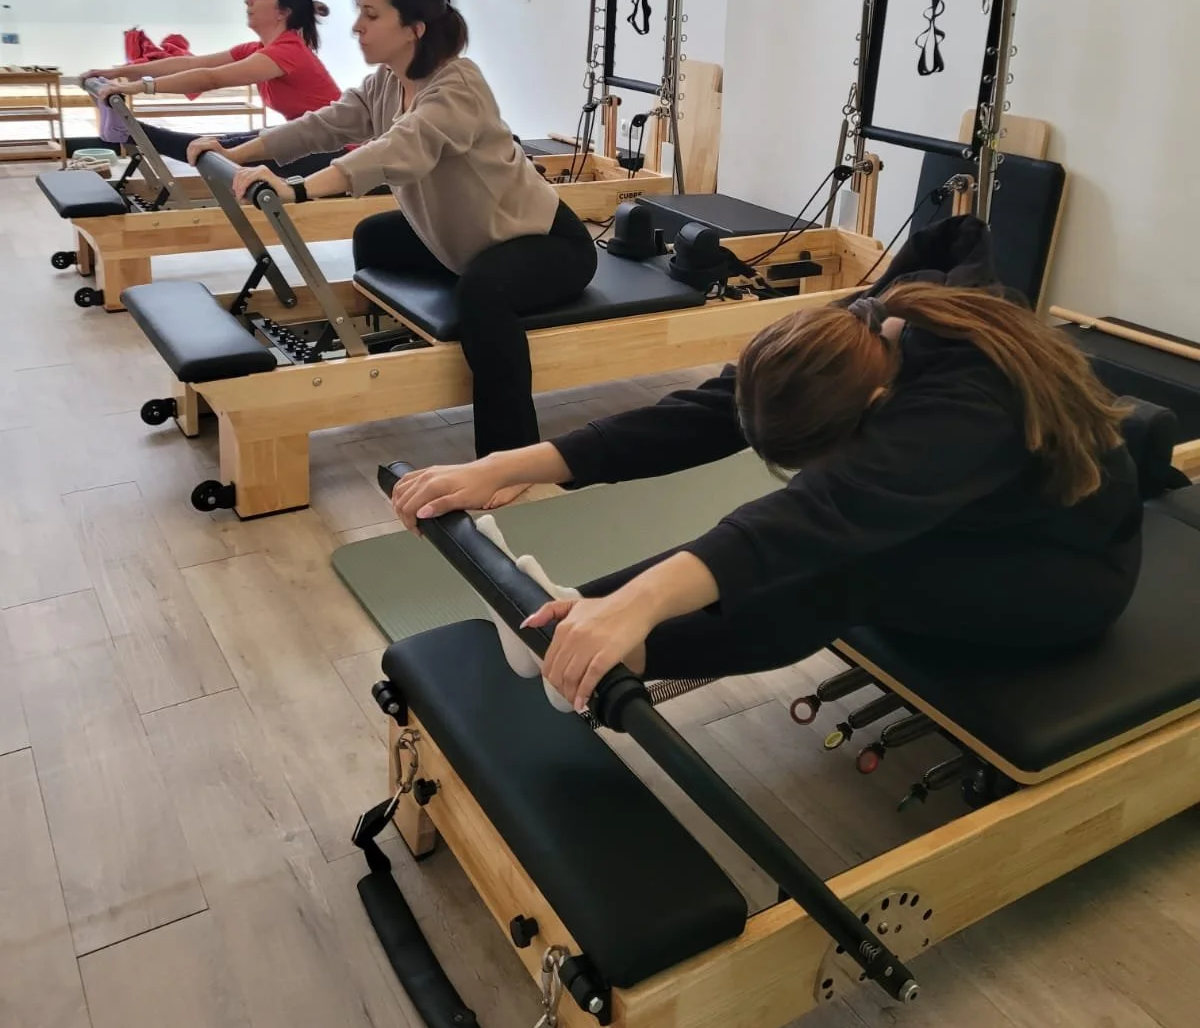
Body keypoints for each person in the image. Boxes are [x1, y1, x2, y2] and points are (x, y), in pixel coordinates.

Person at [390, 218, 1142, 713]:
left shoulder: (966, 400)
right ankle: (573, 613)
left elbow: (816, 517)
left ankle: (609, 648)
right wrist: (509, 466)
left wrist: (642, 608)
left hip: (1059, 573)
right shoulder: (863, 332)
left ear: (877, 405)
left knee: (838, 560)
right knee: (801, 541)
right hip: (975, 523)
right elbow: (699, 413)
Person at [187, 0, 598, 458]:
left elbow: (395, 150)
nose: (357, 26)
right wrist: (239, 152)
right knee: (376, 238)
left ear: (413, 29)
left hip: (545, 243)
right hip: (470, 243)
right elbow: (323, 124)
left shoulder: (457, 85)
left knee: (484, 294)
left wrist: (297, 189)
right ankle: (399, 360)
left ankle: (508, 455)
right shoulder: (385, 81)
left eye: (371, 15)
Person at [85, 0, 343, 176]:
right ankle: (130, 131)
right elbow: (192, 64)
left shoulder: (288, 51)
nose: (247, 0)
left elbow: (211, 78)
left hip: (338, 151)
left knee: (223, 151)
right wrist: (116, 72)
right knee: (225, 144)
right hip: (308, 140)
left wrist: (135, 88)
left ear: (283, 12)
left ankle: (130, 132)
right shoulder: (258, 48)